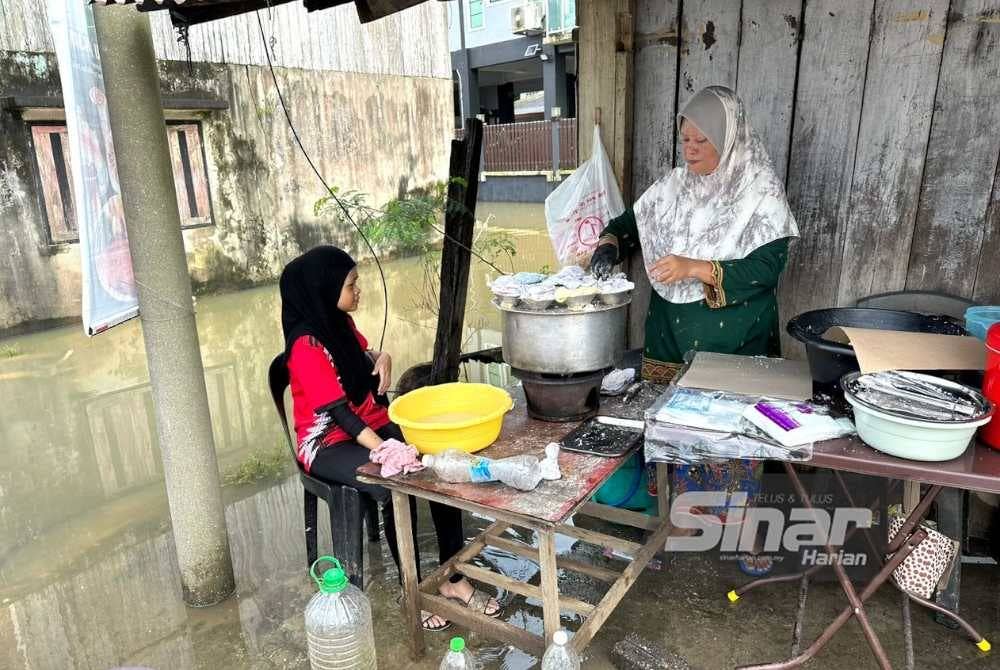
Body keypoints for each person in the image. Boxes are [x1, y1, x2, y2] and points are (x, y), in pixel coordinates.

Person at [589, 86, 799, 574]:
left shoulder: (758, 192)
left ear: (729, 140)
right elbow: (630, 223)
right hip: (671, 337)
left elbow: (769, 266)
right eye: (684, 138)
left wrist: (697, 267)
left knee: (736, 439)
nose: (689, 149)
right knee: (673, 431)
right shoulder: (674, 187)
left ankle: (745, 532)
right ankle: (678, 524)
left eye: (701, 141)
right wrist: (608, 244)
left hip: (736, 341)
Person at [279, 246, 500, 630]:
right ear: (324, 289)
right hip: (328, 442)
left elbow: (363, 354)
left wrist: (382, 358)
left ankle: (453, 576)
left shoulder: (338, 323)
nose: (358, 290)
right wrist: (386, 449)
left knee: (438, 459)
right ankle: (411, 586)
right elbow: (340, 415)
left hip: (366, 421)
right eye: (351, 285)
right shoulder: (306, 347)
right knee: (401, 479)